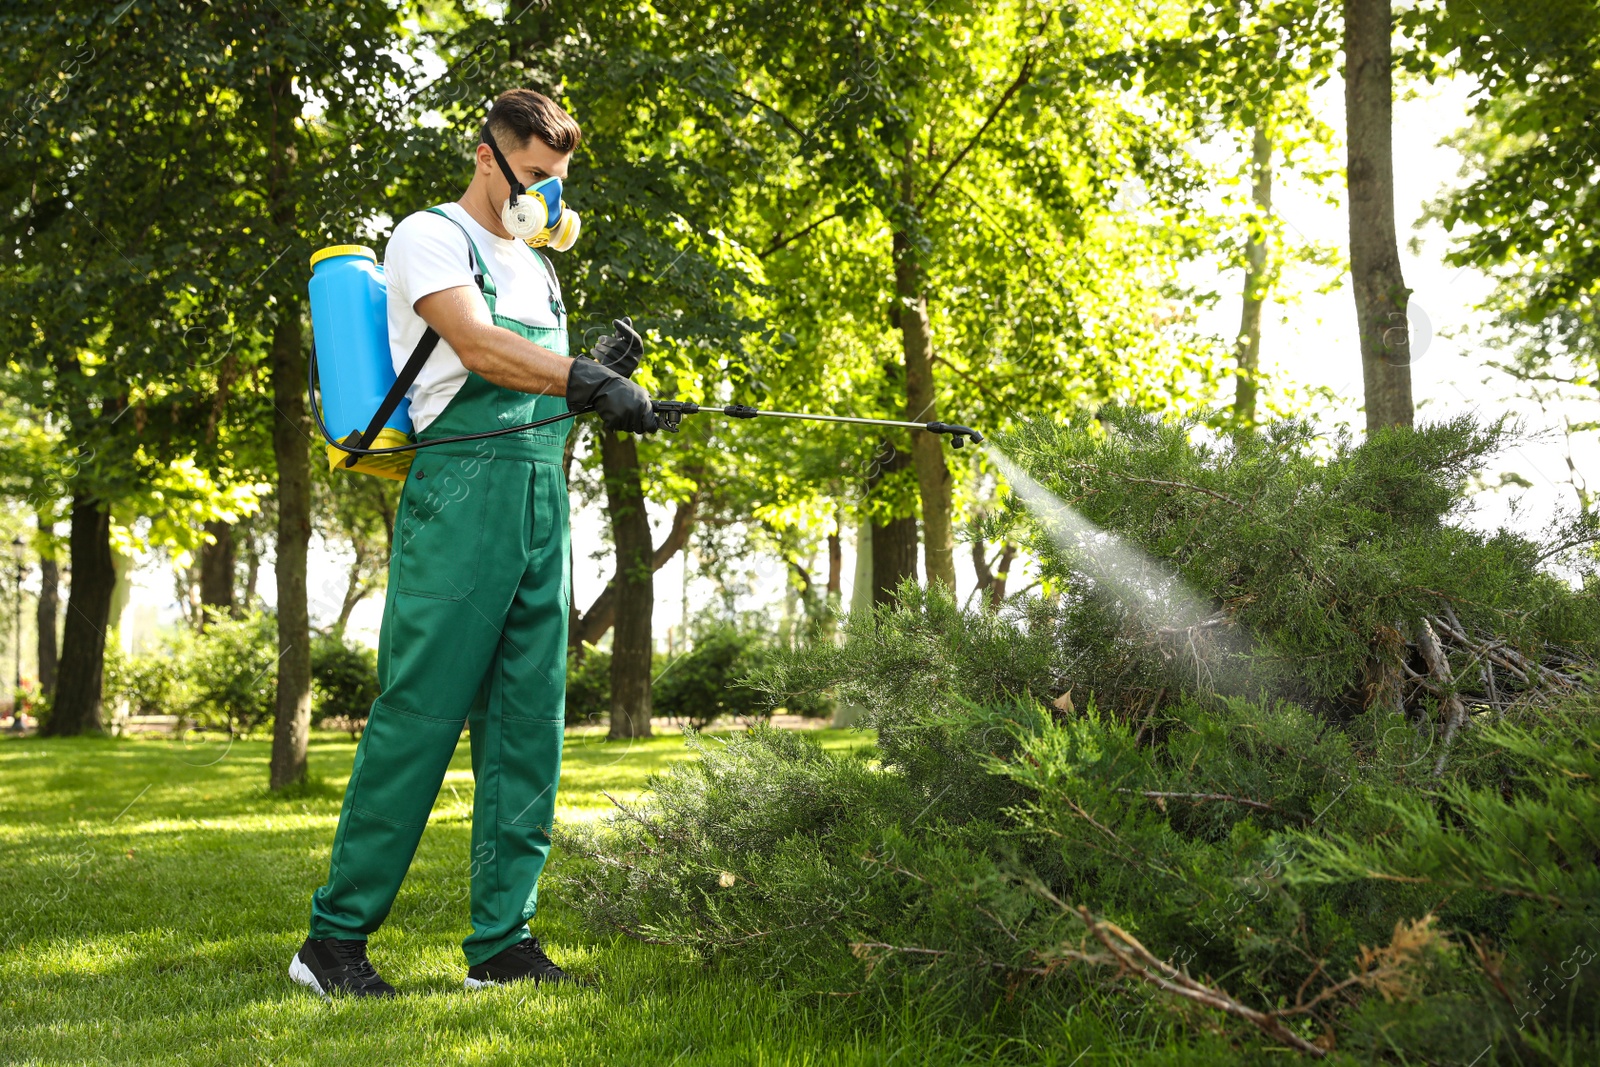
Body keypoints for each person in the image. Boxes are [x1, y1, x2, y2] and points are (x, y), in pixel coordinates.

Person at [291, 89, 657, 999]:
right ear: (489, 156)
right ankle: (332, 941)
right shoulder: (429, 235)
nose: (548, 201)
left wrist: (605, 391)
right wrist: (583, 374)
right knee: (418, 720)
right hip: (459, 503)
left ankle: (503, 941)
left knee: (529, 730)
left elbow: (544, 400)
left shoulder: (538, 264)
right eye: (536, 178)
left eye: (559, 185)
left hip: (540, 501)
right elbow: (478, 347)